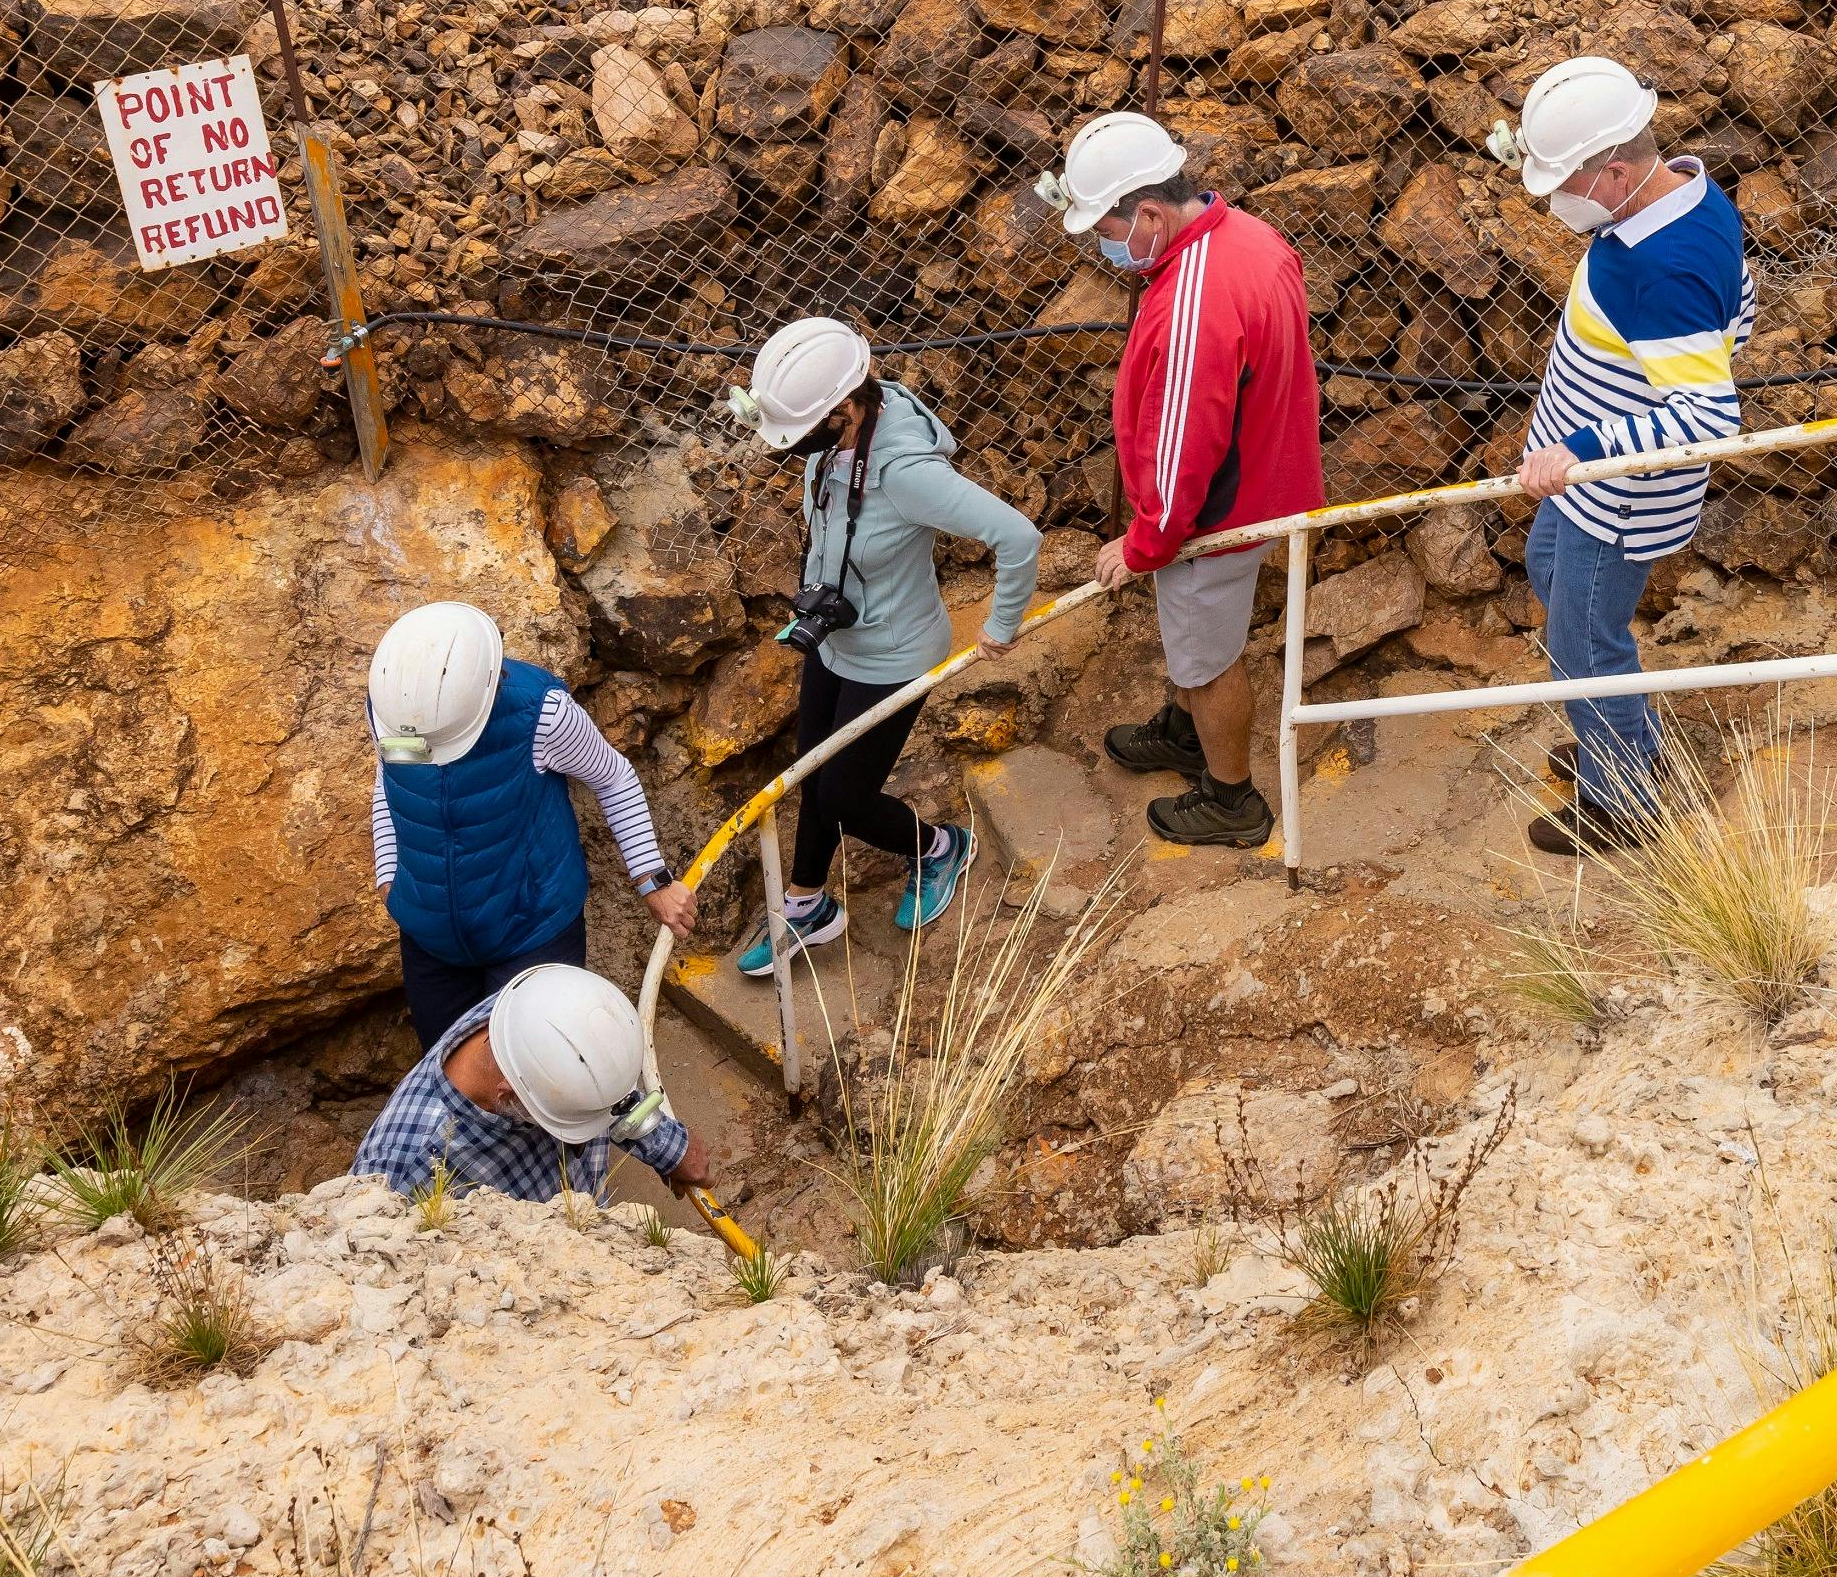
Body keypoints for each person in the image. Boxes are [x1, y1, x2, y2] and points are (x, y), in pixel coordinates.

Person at [721, 314, 1045, 971]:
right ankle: (805, 905)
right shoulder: (845, 431)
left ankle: (939, 848)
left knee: (843, 797)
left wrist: (1001, 626)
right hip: (836, 638)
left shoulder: (904, 473)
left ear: (842, 408)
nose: (790, 446)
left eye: (799, 429)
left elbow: (1018, 539)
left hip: (893, 655)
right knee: (813, 772)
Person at [1042, 110, 1324, 851]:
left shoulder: (1192, 306)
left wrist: (1147, 542)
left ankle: (1231, 798)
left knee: (1207, 658)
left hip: (1214, 515)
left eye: (1103, 228)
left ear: (1148, 213)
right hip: (1267, 475)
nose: (1102, 247)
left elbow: (1182, 449)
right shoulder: (1249, 237)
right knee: (1196, 637)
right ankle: (1182, 729)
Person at [1492, 56, 1749, 855]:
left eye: (1562, 181)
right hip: (1585, 486)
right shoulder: (1680, 195)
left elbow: (1707, 415)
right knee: (1548, 576)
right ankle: (1617, 735)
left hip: (1616, 492)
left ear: (1610, 172)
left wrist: (1580, 447)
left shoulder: (1659, 265)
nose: (1553, 200)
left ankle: (1624, 799)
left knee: (1582, 641)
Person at [364, 600, 692, 1053]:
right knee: (450, 1071)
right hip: (430, 938)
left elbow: (613, 776)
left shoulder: (543, 713)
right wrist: (388, 875)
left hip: (532, 933)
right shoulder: (393, 705)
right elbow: (388, 781)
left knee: (537, 1068)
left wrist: (652, 879)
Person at [351, 962, 711, 1206]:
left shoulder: (532, 1008)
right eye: (575, 1118)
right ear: (508, 1092)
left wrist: (668, 1147)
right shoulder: (402, 1176)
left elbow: (600, 1082)